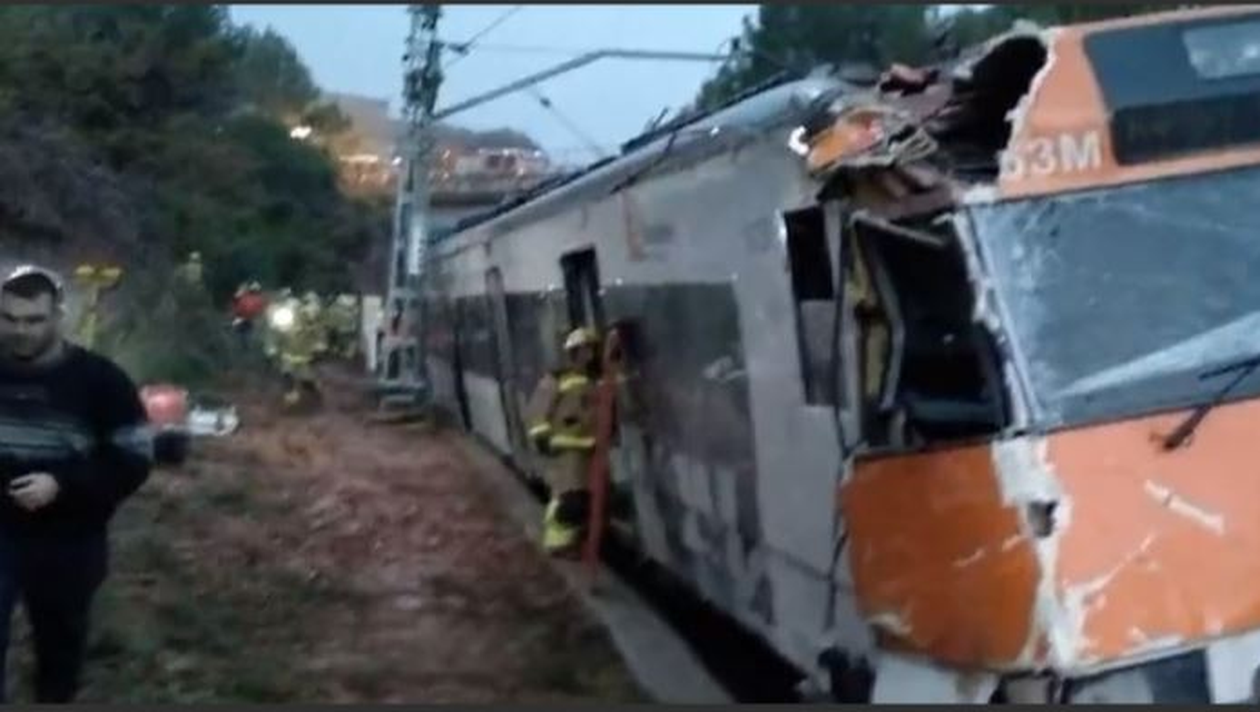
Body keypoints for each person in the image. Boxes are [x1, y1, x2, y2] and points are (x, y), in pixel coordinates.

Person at [0, 265, 152, 702]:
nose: (20, 331)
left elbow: (133, 458)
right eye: (9, 319)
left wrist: (63, 485)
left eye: (33, 320)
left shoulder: (101, 381)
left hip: (68, 538)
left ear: (58, 316)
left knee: (59, 653)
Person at [525, 327, 601, 558]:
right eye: (585, 349)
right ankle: (559, 544)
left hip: (587, 449)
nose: (590, 354)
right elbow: (537, 412)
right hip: (566, 450)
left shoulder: (591, 379)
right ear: (574, 352)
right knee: (571, 500)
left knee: (577, 499)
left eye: (592, 349)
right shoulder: (556, 379)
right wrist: (542, 438)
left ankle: (568, 540)